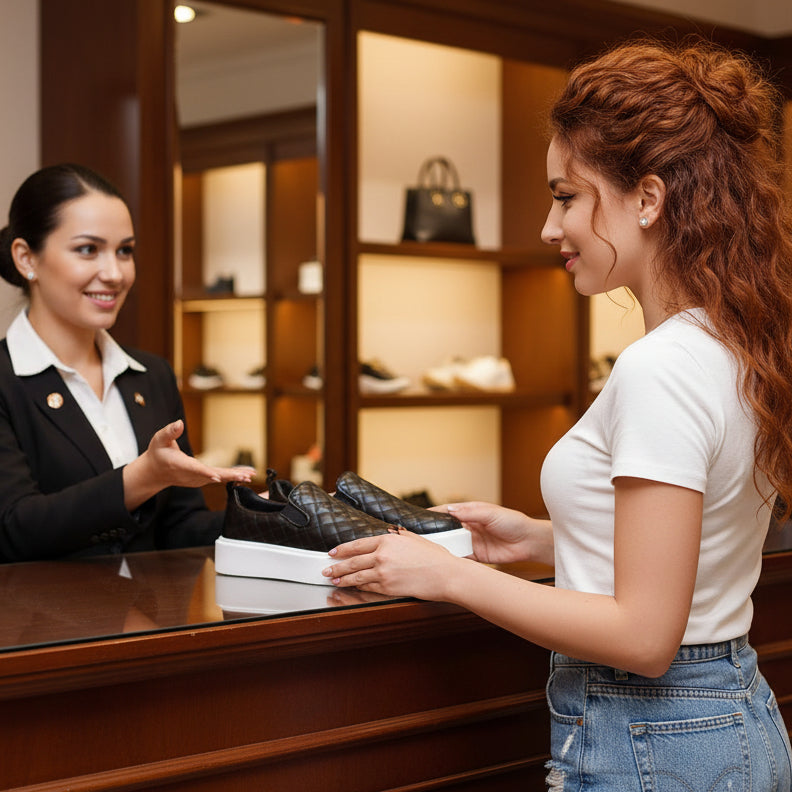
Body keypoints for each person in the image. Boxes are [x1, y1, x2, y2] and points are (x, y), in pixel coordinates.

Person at [323, 38, 792, 789]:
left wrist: (446, 575)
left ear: (647, 197)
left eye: (566, 196)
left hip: (655, 737)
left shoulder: (661, 367)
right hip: (725, 718)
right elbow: (697, 542)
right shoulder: (733, 342)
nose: (549, 227)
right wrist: (548, 538)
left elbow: (644, 636)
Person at [0, 164, 253, 562]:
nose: (115, 273)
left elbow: (179, 529)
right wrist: (142, 477)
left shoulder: (151, 375)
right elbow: (14, 529)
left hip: (149, 622)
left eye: (125, 251)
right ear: (26, 258)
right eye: (88, 249)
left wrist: (260, 516)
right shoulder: (5, 381)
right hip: (38, 623)